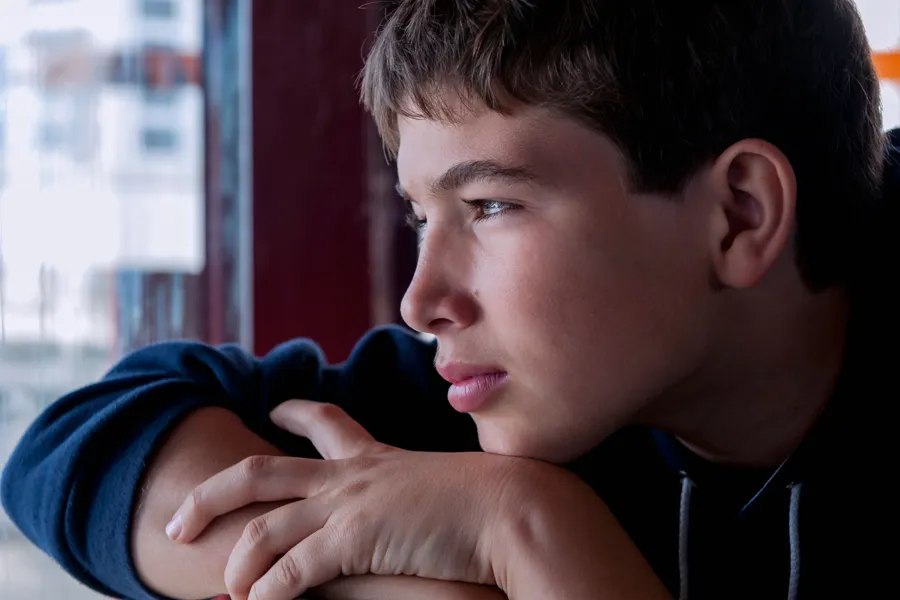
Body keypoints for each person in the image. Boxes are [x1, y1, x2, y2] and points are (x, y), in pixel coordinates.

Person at [2, 1, 896, 599]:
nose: (420, 301)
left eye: (491, 206)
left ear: (739, 214)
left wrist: (536, 537)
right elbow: (81, 443)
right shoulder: (523, 393)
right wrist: (465, 542)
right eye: (423, 215)